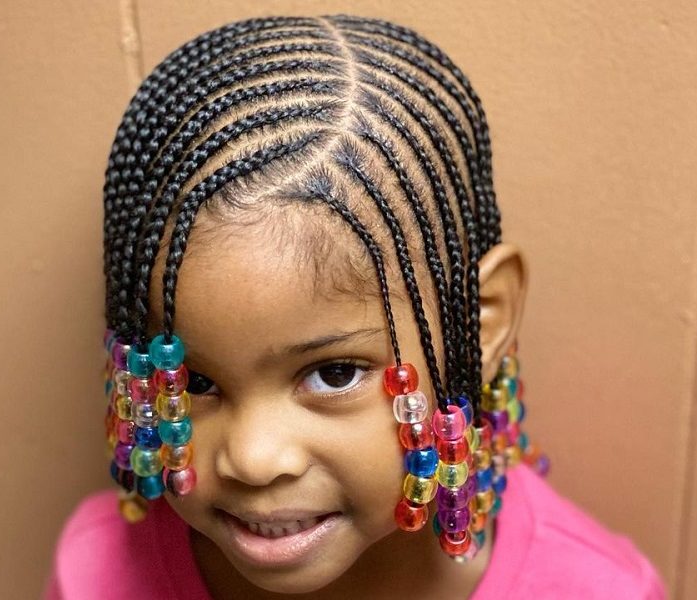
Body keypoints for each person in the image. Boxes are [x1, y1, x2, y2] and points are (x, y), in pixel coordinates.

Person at [43, 14, 665, 599]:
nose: (255, 459)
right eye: (195, 380)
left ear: (484, 320)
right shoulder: (96, 577)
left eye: (334, 373)